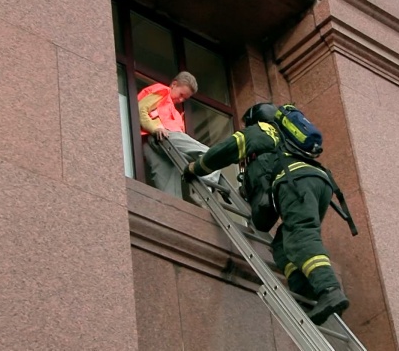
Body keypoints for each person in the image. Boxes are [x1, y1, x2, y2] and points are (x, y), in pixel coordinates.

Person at [182, 103, 350, 325]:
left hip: (296, 182)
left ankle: (328, 289)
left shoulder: (259, 131)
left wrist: (196, 168)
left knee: (301, 234)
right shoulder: (283, 137)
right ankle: (305, 291)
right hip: (318, 183)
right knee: (284, 240)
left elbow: (223, 152)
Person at [137, 71, 220, 199]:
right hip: (164, 135)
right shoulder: (163, 91)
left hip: (154, 142)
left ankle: (172, 210)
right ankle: (204, 191)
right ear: (174, 84)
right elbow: (141, 108)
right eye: (181, 95)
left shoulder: (176, 112)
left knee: (168, 183)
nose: (181, 100)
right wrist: (155, 128)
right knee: (211, 155)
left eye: (184, 99)